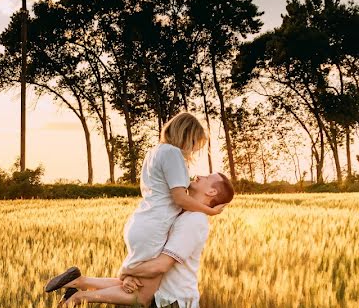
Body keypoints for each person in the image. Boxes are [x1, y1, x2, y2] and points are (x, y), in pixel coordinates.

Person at [44, 111, 224, 298]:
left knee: (134, 283)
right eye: (195, 143)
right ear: (187, 135)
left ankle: (79, 282)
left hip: (142, 222)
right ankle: (78, 297)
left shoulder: (155, 152)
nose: (193, 150)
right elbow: (179, 198)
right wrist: (210, 211)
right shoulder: (173, 153)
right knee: (142, 296)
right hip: (154, 227)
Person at [45, 172, 235, 308]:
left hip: (175, 304)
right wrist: (129, 275)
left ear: (212, 192)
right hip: (162, 297)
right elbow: (154, 258)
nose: (199, 175)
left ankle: (79, 293)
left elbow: (161, 265)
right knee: (130, 287)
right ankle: (79, 284)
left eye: (207, 178)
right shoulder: (184, 213)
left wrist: (126, 272)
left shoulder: (194, 220)